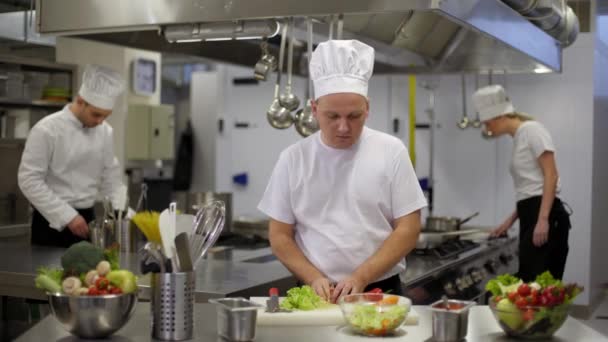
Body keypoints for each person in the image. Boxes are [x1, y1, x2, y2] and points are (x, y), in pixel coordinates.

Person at [258, 40, 427, 303]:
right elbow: (279, 234)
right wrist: (313, 276)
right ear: (314, 109)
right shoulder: (294, 158)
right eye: (332, 116)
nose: (343, 127)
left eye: (354, 116)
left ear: (367, 108)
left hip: (379, 290)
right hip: (314, 292)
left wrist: (361, 276)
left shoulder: (390, 151)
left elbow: (409, 227)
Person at [18, 64, 127, 248]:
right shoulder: (47, 129)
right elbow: (29, 180)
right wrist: (67, 215)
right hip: (51, 222)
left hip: (87, 220)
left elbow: (111, 179)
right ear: (80, 101)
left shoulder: (105, 132)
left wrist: (123, 214)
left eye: (105, 116)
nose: (100, 121)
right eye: (96, 114)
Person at [472, 84, 571, 282]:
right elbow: (530, 189)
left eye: (488, 124)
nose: (487, 130)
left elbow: (551, 174)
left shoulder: (532, 130)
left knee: (539, 284)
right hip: (531, 213)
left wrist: (542, 219)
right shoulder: (519, 137)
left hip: (545, 215)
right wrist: (510, 220)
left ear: (500, 116)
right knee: (530, 281)